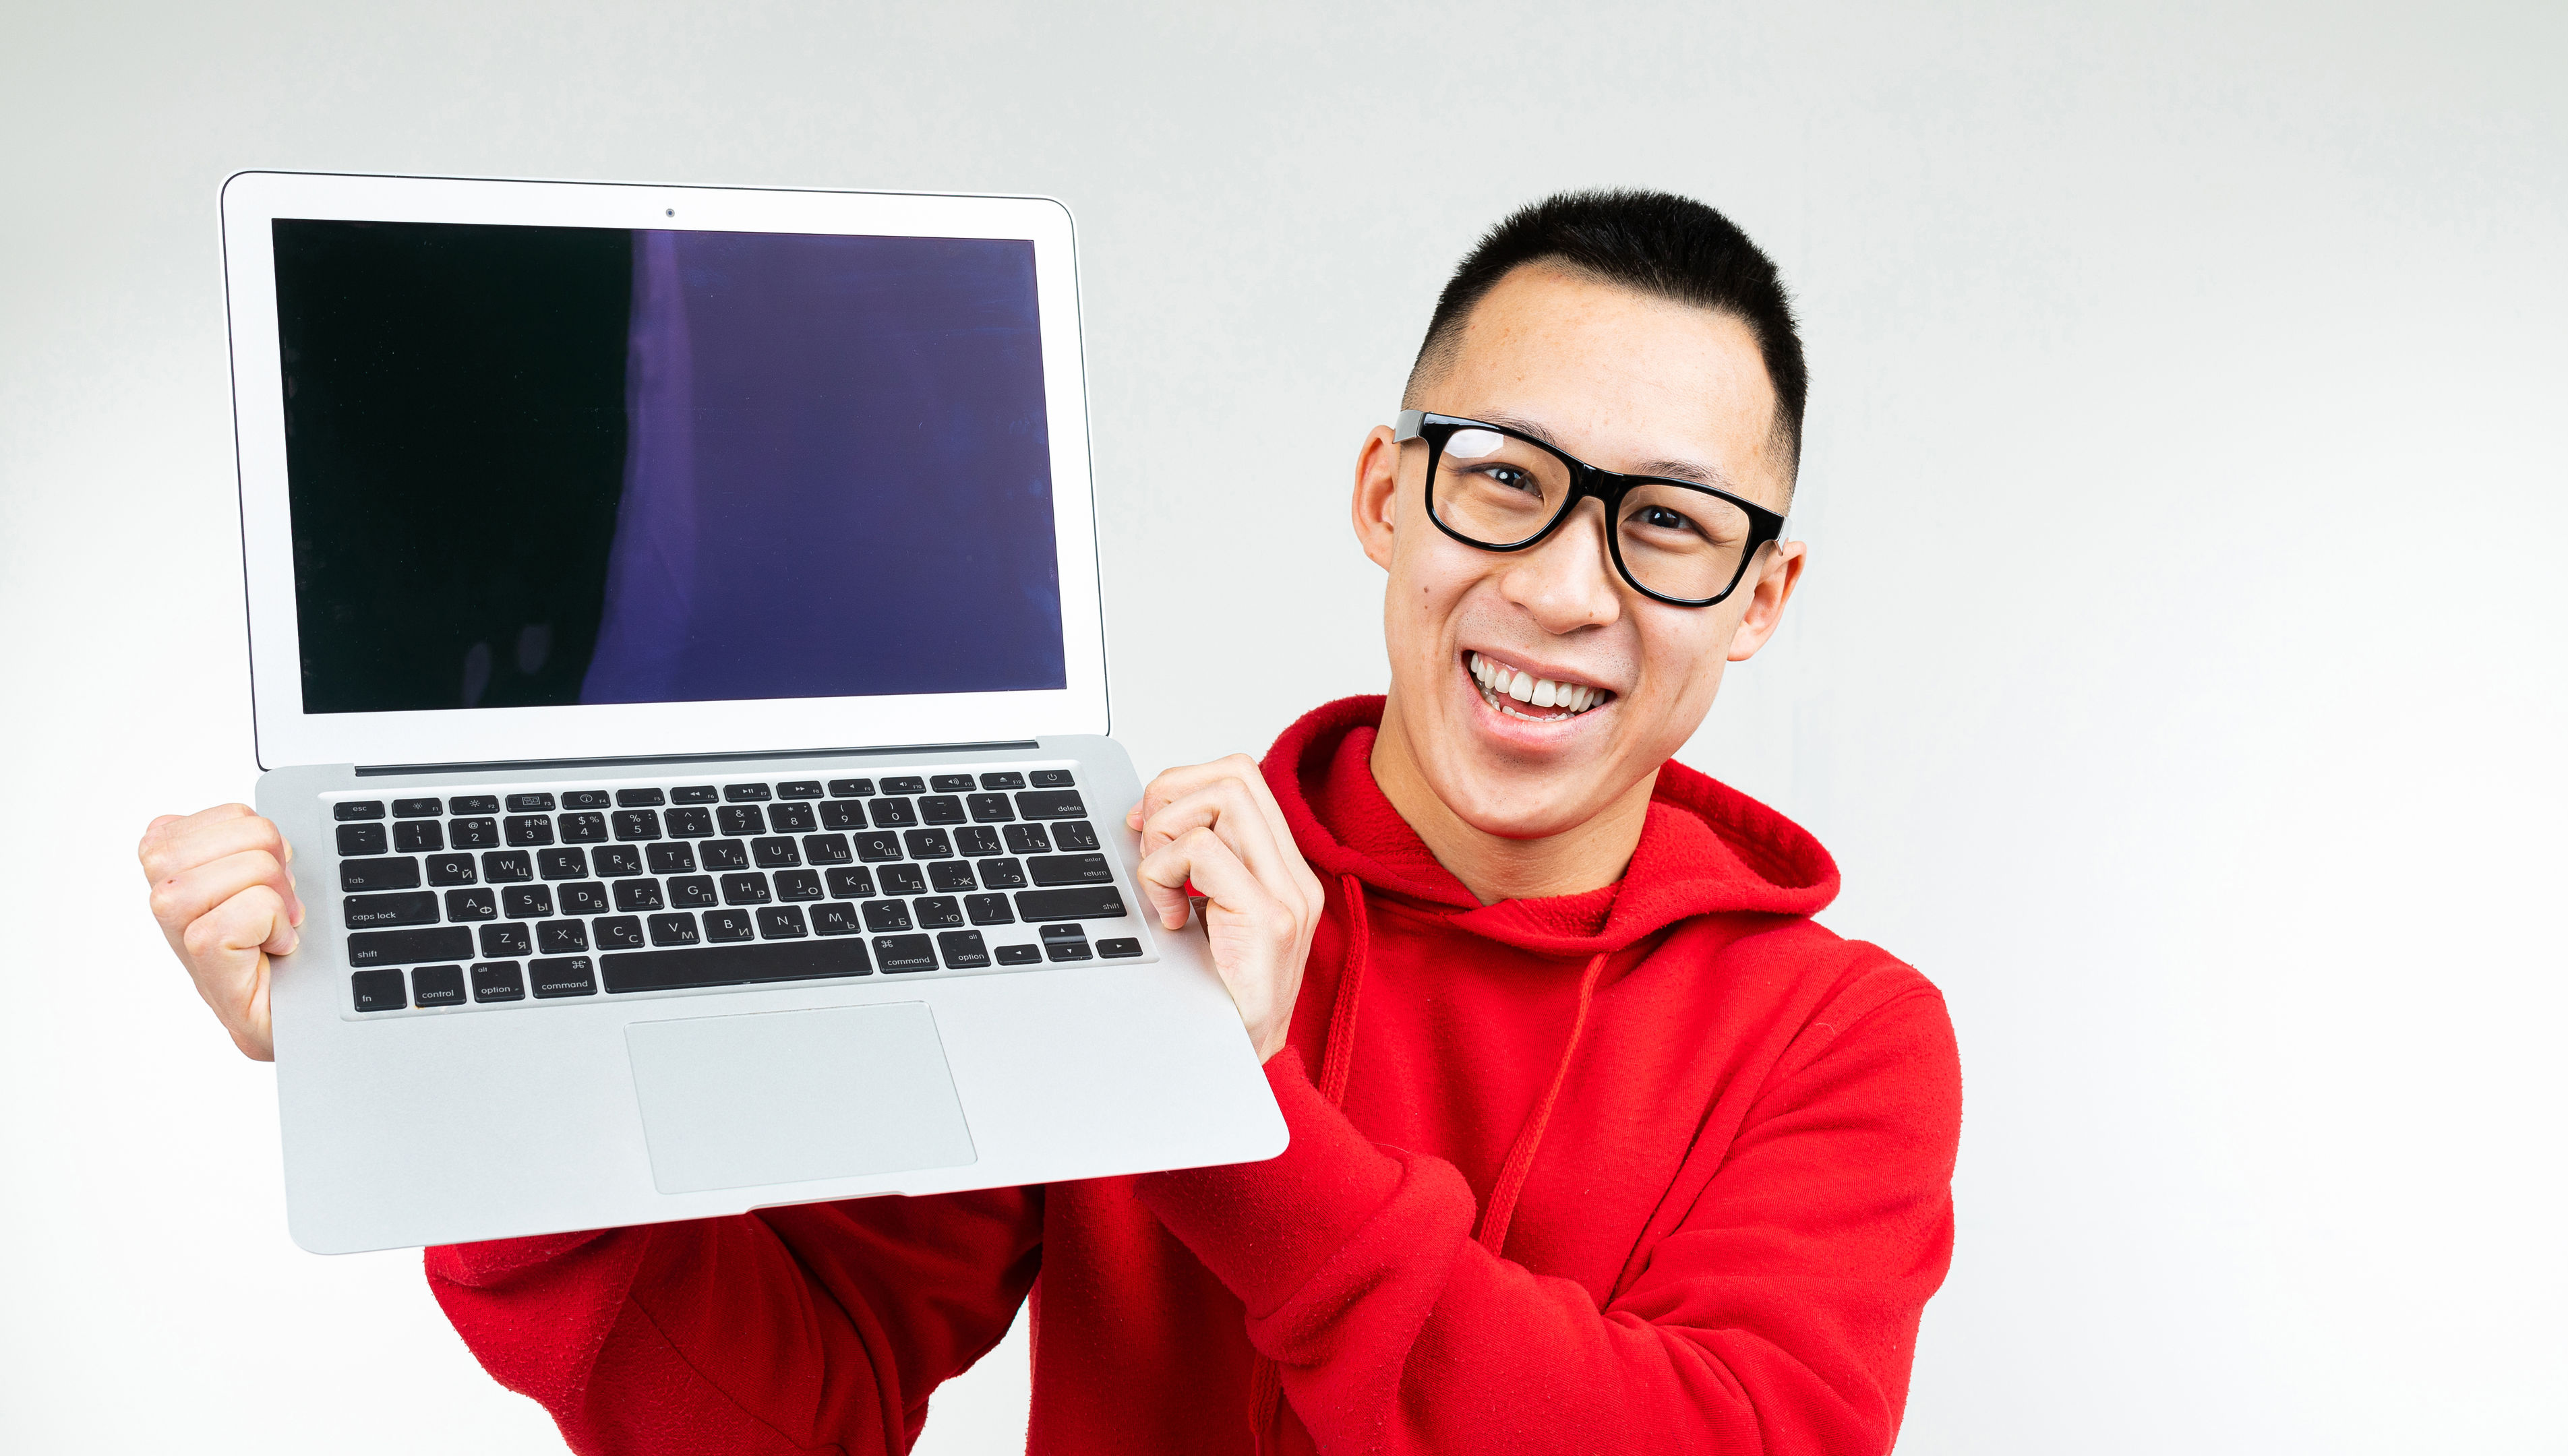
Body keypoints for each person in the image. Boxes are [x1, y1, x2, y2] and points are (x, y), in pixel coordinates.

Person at [140, 189, 1961, 1455]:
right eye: (1504, 481)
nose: (1568, 589)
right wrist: (451, 1072)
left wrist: (1231, 1104)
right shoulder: (1127, 907)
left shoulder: (1845, 1039)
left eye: (1669, 523)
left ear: (1762, 597)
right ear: (1386, 499)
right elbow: (795, 1412)